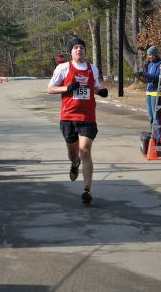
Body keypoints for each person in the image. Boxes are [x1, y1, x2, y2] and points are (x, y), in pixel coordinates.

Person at [47, 37, 108, 204]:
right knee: (73, 154)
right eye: (75, 48)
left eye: (81, 47)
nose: (79, 50)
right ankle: (75, 164)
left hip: (87, 116)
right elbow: (50, 89)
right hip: (68, 117)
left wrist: (99, 91)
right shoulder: (63, 68)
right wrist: (67, 88)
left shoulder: (92, 69)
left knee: (85, 150)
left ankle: (87, 189)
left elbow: (93, 87)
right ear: (71, 52)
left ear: (85, 50)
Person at [135, 46, 161, 144]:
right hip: (149, 92)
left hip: (156, 92)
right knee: (150, 117)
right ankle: (153, 136)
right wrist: (141, 77)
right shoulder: (150, 64)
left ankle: (159, 139)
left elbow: (156, 76)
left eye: (150, 55)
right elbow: (149, 79)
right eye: (148, 55)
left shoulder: (160, 64)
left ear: (155, 54)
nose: (149, 57)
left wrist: (143, 73)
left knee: (156, 117)